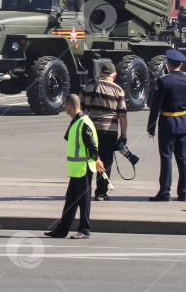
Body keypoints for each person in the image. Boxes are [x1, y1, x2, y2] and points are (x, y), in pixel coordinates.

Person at [44, 94, 105, 240]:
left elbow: (91, 145)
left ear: (69, 106)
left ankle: (84, 229)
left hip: (83, 168)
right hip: (77, 169)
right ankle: (62, 230)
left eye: (65, 106)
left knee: (84, 201)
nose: (64, 108)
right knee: (70, 199)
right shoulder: (77, 121)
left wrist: (97, 159)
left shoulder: (83, 123)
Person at [147, 49, 186, 201]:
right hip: (183, 123)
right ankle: (184, 193)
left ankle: (165, 192)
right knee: (183, 159)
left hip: (167, 123)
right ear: (181, 64)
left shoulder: (164, 81)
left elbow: (155, 106)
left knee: (166, 158)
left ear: (168, 64)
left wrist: (151, 127)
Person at [79, 62, 127, 201]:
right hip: (108, 131)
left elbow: (80, 105)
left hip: (89, 129)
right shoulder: (118, 90)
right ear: (114, 75)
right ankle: (101, 192)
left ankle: (84, 191)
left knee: (89, 159)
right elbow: (122, 114)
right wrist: (123, 134)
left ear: (101, 73)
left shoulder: (88, 86)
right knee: (105, 161)